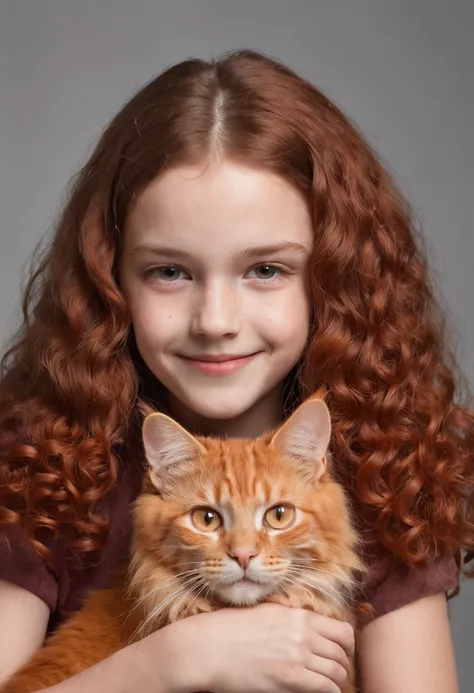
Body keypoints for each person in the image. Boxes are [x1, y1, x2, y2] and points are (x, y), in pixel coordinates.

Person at [0, 49, 472, 693]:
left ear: (334, 279)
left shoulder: (382, 470)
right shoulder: (44, 463)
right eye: (170, 270)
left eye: (265, 269)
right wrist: (173, 662)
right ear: (109, 280)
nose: (216, 319)